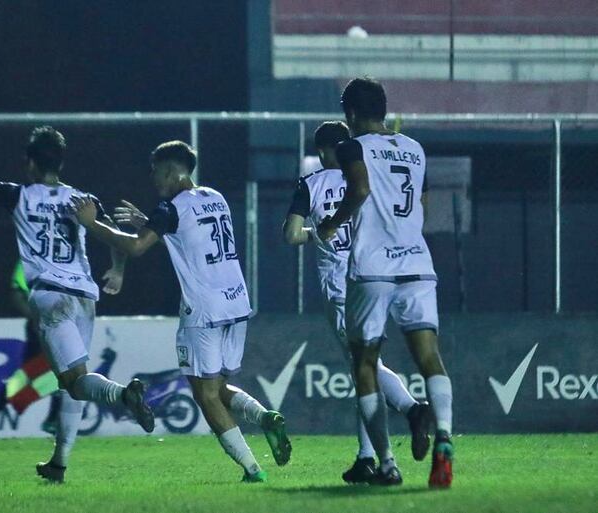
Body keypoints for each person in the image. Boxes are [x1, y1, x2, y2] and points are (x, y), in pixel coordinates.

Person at [71, 140, 290, 483]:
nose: (154, 180)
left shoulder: (170, 208)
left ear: (172, 171)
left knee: (204, 395)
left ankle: (253, 469)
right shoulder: (214, 198)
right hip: (236, 302)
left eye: (157, 172)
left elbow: (135, 247)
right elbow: (193, 237)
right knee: (216, 388)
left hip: (203, 309)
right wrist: (151, 221)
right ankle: (264, 418)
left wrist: (91, 223)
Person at [0, 126, 154, 484]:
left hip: (50, 296)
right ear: (60, 161)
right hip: (85, 297)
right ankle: (58, 463)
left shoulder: (20, 195)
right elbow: (115, 239)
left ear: (29, 163)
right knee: (74, 381)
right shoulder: (82, 198)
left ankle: (123, 395)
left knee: (74, 382)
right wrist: (118, 272)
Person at [317, 78, 454, 488]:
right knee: (430, 357)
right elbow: (423, 207)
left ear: (351, 113)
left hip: (373, 268)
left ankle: (387, 464)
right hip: (416, 264)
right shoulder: (414, 148)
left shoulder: (351, 146)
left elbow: (358, 189)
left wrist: (330, 225)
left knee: (363, 363)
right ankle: (444, 439)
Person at [282, 121, 432, 484]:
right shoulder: (367, 177)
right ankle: (367, 457)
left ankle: (411, 411)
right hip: (374, 275)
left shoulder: (312, 183)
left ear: (320, 152)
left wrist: (317, 230)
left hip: (338, 286)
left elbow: (290, 235)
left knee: (365, 366)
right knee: (363, 368)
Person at [0, 260, 61, 438]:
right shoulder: (29, 260)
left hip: (56, 323)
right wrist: (35, 319)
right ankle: (52, 421)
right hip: (40, 324)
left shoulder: (58, 258)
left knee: (43, 372)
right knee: (53, 371)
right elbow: (17, 293)